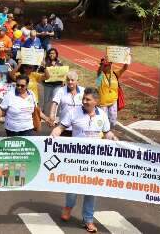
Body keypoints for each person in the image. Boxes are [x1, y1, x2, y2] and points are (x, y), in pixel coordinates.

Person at [51, 88, 116, 233]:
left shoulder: (103, 115)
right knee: (73, 188)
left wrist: (115, 139)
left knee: (91, 191)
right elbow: (61, 127)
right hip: (75, 160)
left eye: (88, 99)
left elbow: (107, 133)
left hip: (94, 162)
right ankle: (68, 207)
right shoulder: (74, 112)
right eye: (84, 99)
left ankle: (88, 220)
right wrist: (54, 134)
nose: (84, 102)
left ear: (96, 101)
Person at [48, 70, 84, 136]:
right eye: (68, 80)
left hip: (79, 127)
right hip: (64, 127)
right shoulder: (61, 90)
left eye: (72, 80)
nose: (70, 82)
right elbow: (55, 103)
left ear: (77, 81)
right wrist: (52, 116)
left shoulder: (83, 91)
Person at [96, 56, 128, 127]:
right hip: (103, 103)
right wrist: (103, 63)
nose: (105, 67)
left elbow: (124, 68)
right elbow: (98, 72)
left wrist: (127, 59)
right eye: (103, 65)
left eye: (107, 65)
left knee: (113, 122)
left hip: (113, 102)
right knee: (103, 122)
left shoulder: (115, 73)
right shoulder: (100, 76)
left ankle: (109, 133)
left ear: (111, 64)